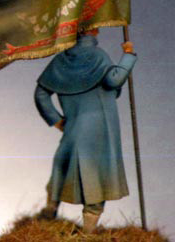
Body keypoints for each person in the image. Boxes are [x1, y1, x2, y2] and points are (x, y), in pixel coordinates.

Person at [34, 28, 137, 234]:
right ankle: (88, 232)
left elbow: (41, 93)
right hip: (101, 128)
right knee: (97, 176)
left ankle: (50, 210)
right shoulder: (98, 56)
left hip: (73, 127)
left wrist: (56, 120)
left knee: (62, 166)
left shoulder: (60, 60)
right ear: (94, 31)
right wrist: (128, 56)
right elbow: (113, 80)